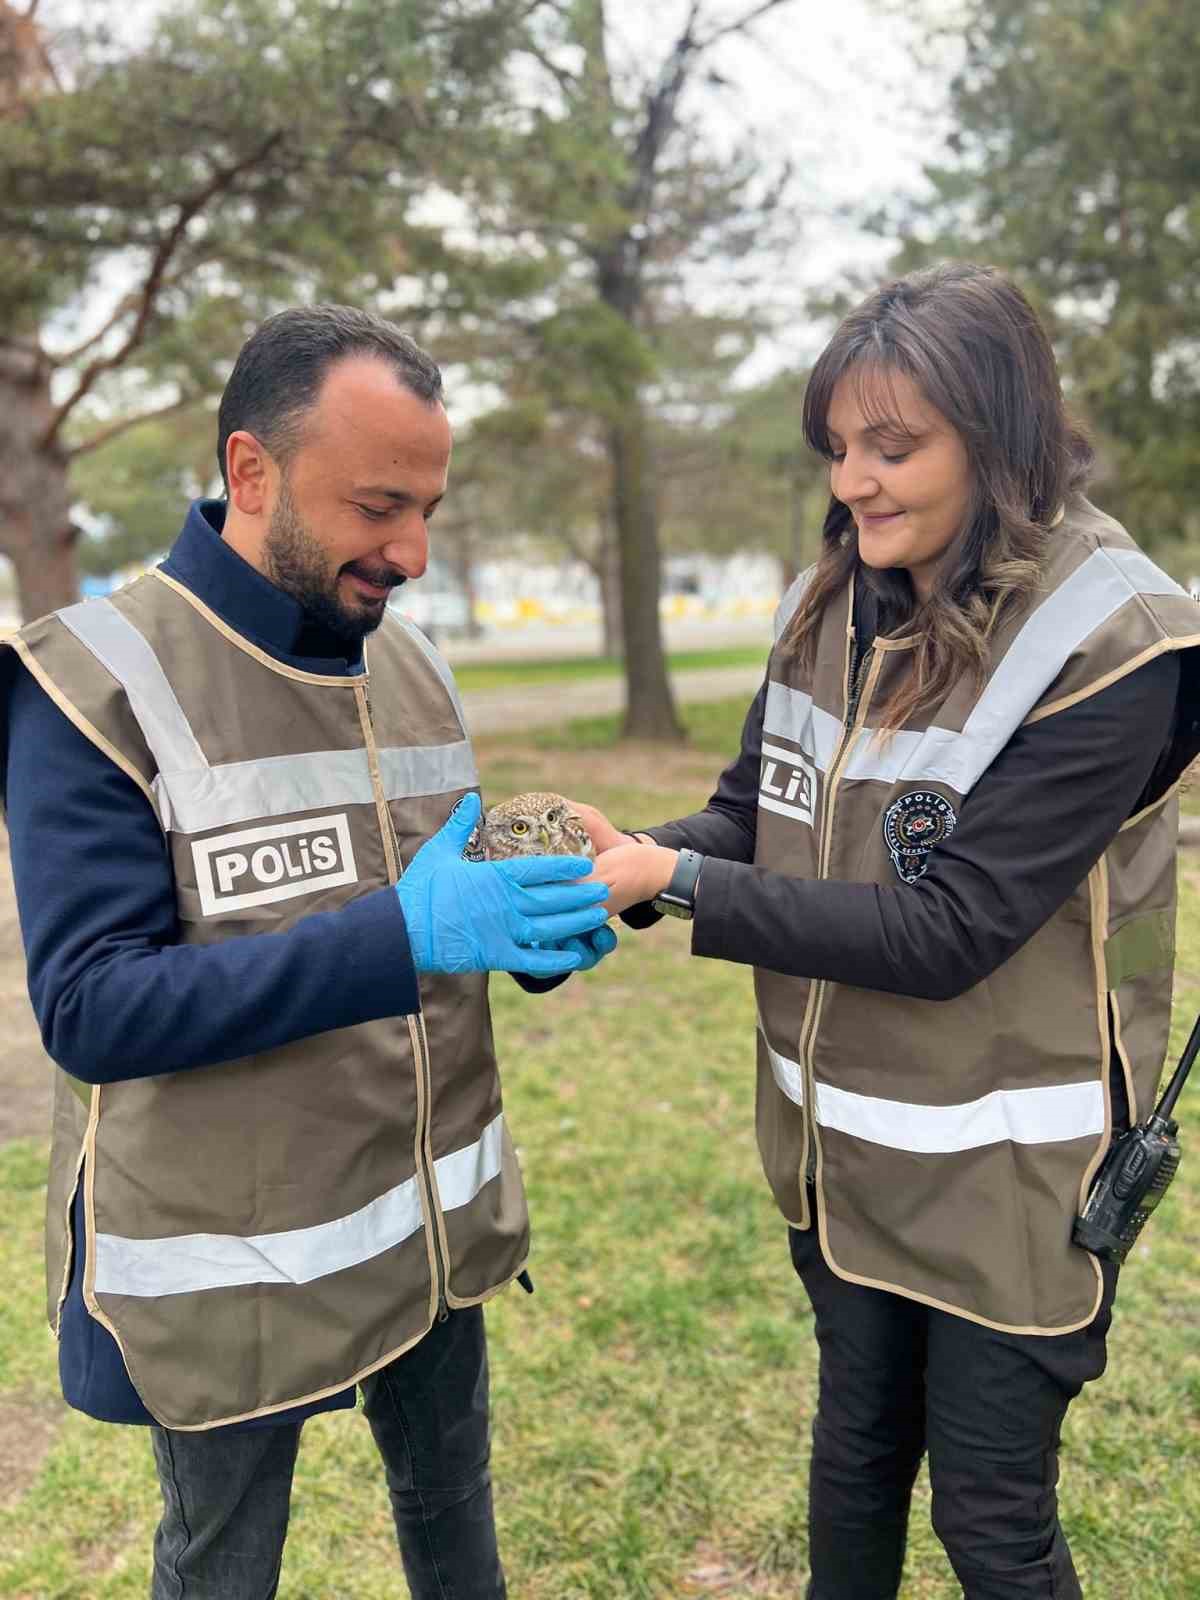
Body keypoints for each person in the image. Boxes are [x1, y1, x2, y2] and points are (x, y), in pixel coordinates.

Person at [572, 263, 1200, 1599]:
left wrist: (677, 889)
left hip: (1009, 1189)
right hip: (839, 1161)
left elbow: (951, 931)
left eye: (893, 447)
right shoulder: (834, 603)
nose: (852, 480)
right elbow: (756, 813)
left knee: (992, 1521)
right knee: (854, 1449)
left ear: (1004, 436)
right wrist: (621, 866)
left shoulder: (1112, 641)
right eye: (840, 446)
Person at [0, 304, 616, 1599]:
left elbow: (440, 907)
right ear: (251, 472)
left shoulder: (419, 668)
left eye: (430, 506)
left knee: (462, 1543)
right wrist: (405, 935)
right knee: (223, 1575)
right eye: (379, 505)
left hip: (430, 1243)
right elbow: (91, 1006)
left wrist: (533, 930)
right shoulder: (94, 682)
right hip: (232, 1275)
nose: (416, 551)